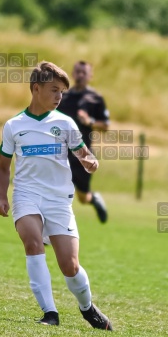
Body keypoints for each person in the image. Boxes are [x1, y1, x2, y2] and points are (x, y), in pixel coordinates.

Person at [0, 61, 112, 330]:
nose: (60, 97)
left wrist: (89, 161)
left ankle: (87, 308)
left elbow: (83, 153)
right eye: (54, 90)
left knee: (70, 266)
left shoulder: (65, 123)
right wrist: (2, 197)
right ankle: (50, 313)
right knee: (33, 244)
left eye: (62, 91)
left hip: (59, 199)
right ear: (36, 89)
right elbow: (3, 167)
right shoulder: (14, 125)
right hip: (27, 195)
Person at [56, 61, 109, 223]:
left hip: (82, 154)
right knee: (58, 192)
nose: (80, 75)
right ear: (72, 73)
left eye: (83, 73)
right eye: (77, 72)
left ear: (90, 76)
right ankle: (51, 231)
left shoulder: (96, 98)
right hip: (61, 153)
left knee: (82, 197)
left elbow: (105, 126)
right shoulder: (63, 97)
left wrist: (89, 121)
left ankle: (93, 198)